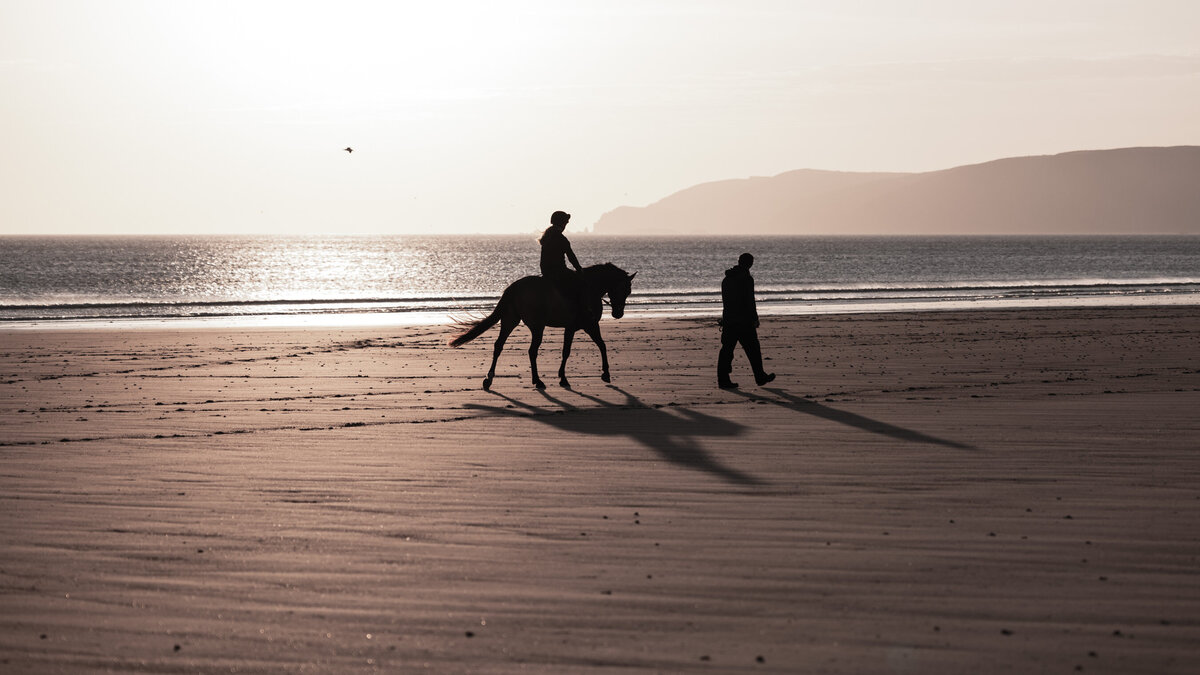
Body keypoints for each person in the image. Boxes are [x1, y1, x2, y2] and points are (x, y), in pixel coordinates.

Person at [718, 252, 775, 389]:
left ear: (738, 261)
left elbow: (726, 302)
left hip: (729, 320)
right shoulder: (747, 279)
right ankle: (760, 376)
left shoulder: (727, 279)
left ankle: (723, 380)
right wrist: (755, 318)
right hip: (743, 322)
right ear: (750, 264)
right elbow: (750, 301)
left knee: (726, 351)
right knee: (753, 350)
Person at [539, 211, 594, 322]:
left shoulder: (547, 235)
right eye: (566, 223)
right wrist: (579, 269)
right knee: (582, 284)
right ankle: (583, 311)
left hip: (546, 270)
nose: (565, 226)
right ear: (562, 223)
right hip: (558, 271)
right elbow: (571, 256)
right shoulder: (560, 238)